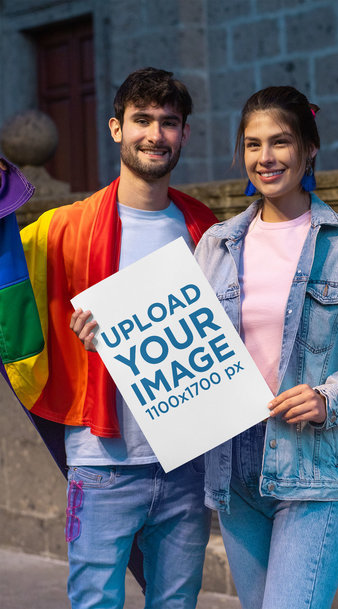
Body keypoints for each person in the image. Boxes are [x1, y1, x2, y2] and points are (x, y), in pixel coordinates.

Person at [0, 67, 218, 609]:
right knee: (95, 602)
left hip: (185, 461)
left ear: (185, 134)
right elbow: (11, 291)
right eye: (142, 120)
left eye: (169, 123)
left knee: (178, 601)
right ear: (117, 128)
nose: (155, 134)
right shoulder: (61, 229)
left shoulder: (206, 228)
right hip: (102, 459)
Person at [194, 86, 338, 609]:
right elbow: (189, 342)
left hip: (313, 470)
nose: (265, 158)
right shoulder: (216, 245)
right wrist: (108, 332)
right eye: (252, 144)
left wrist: (329, 397)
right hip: (236, 469)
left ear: (309, 148)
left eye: (280, 142)